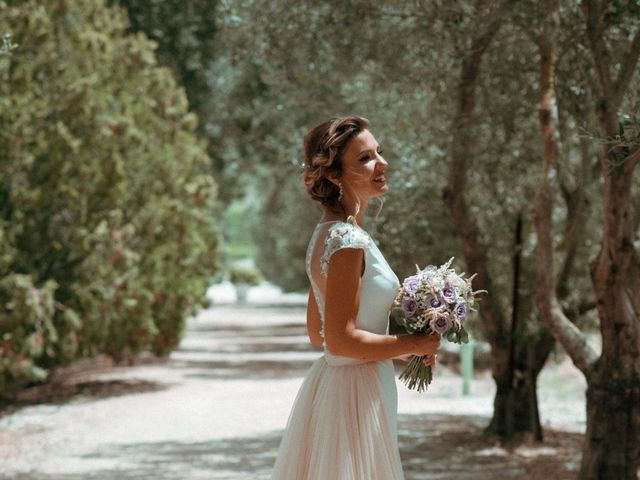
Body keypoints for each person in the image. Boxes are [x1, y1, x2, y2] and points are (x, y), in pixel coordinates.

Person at [271, 116, 440, 480]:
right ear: (333, 175)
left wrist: (406, 350)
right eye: (365, 158)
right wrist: (414, 340)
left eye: (379, 152)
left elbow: (318, 334)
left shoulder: (325, 235)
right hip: (357, 394)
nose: (382, 163)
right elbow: (340, 339)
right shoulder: (348, 241)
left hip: (337, 385)